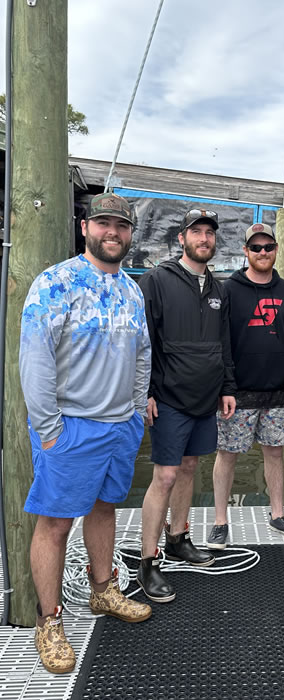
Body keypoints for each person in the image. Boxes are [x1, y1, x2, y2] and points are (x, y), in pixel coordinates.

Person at [20, 192, 152, 674]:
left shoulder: (132, 290)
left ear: (130, 235)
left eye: (121, 225)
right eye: (103, 224)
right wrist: (49, 430)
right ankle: (48, 620)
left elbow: (143, 356)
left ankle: (103, 590)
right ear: (85, 227)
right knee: (55, 524)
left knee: (104, 508)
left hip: (120, 427)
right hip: (69, 427)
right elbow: (34, 360)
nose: (112, 232)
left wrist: (136, 413)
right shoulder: (56, 283)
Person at [136, 208, 236, 603]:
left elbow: (225, 343)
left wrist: (227, 386)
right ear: (182, 238)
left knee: (191, 466)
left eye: (210, 233)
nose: (204, 239)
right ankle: (148, 561)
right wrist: (143, 392)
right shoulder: (156, 281)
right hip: (167, 397)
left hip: (206, 397)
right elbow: (142, 341)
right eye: (197, 232)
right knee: (164, 475)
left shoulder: (218, 289)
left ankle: (178, 537)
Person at [207, 223, 284, 548]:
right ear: (246, 251)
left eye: (268, 247)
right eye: (256, 248)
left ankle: (277, 514)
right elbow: (218, 343)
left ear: (276, 250)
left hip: (278, 392)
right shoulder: (227, 291)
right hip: (237, 394)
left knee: (275, 454)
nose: (262, 252)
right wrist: (223, 386)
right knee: (226, 455)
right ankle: (220, 520)